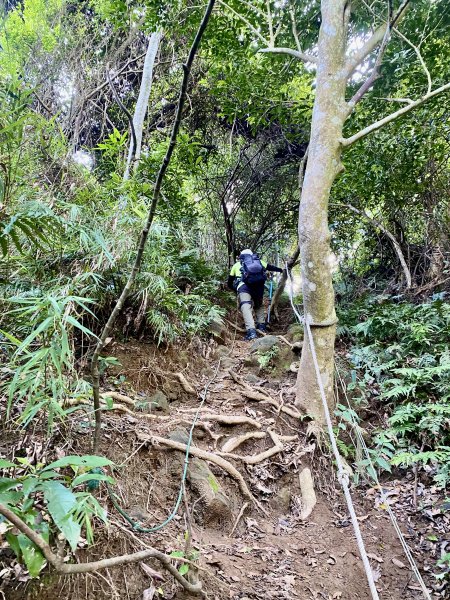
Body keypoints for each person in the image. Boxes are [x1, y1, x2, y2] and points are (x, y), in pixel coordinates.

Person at [228, 249, 283, 340]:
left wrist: (236, 290)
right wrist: (281, 270)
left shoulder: (236, 265)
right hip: (259, 287)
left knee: (246, 307)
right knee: (258, 306)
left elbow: (229, 283)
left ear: (241, 256)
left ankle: (251, 332)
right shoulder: (259, 262)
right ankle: (261, 327)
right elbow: (271, 267)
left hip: (243, 287)